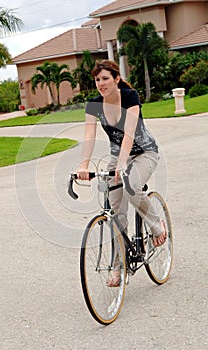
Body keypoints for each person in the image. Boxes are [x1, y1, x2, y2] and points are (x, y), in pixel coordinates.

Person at [77, 59, 167, 286]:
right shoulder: (93, 105)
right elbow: (89, 135)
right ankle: (118, 268)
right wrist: (84, 165)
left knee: (131, 187)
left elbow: (129, 132)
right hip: (118, 157)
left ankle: (156, 225)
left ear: (116, 79)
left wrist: (123, 164)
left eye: (105, 78)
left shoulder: (130, 97)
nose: (101, 83)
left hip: (144, 152)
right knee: (116, 213)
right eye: (97, 80)